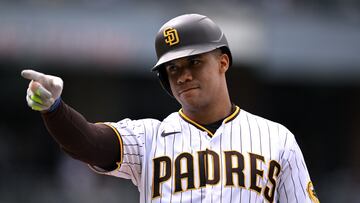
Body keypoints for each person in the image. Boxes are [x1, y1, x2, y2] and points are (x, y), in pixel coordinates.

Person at [21, 13, 319, 203]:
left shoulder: (276, 138)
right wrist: (54, 108)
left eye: (194, 62)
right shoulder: (150, 136)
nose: (183, 75)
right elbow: (88, 142)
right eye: (173, 68)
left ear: (223, 62)